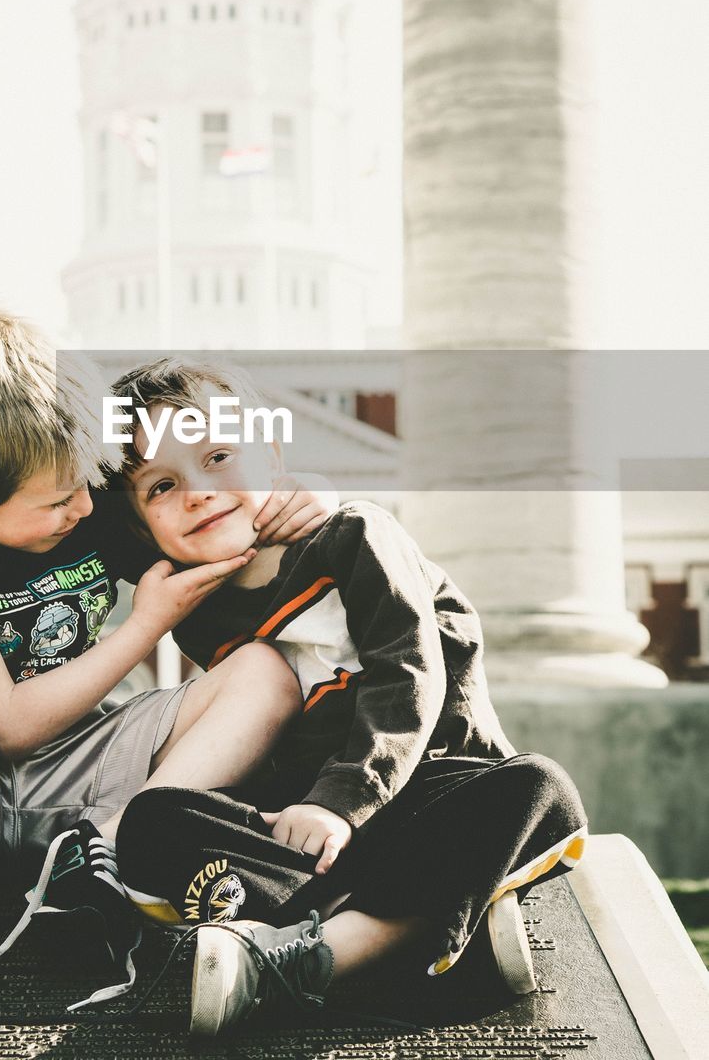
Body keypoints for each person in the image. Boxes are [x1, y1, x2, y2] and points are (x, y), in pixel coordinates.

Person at [0, 311, 333, 1006]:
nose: (84, 506)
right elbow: (12, 726)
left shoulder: (90, 500)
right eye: (55, 501)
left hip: (78, 769)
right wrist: (143, 628)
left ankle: (105, 852)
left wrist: (309, 500)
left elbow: (223, 538)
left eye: (88, 482)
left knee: (264, 669)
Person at [108, 358, 589, 1036]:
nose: (196, 492)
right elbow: (70, 528)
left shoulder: (354, 535)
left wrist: (340, 804)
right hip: (309, 842)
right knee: (154, 820)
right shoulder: (195, 599)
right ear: (139, 526)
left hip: (427, 792)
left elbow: (409, 678)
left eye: (218, 456)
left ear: (271, 456)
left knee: (541, 787)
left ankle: (310, 959)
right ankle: (424, 934)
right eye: (161, 485)